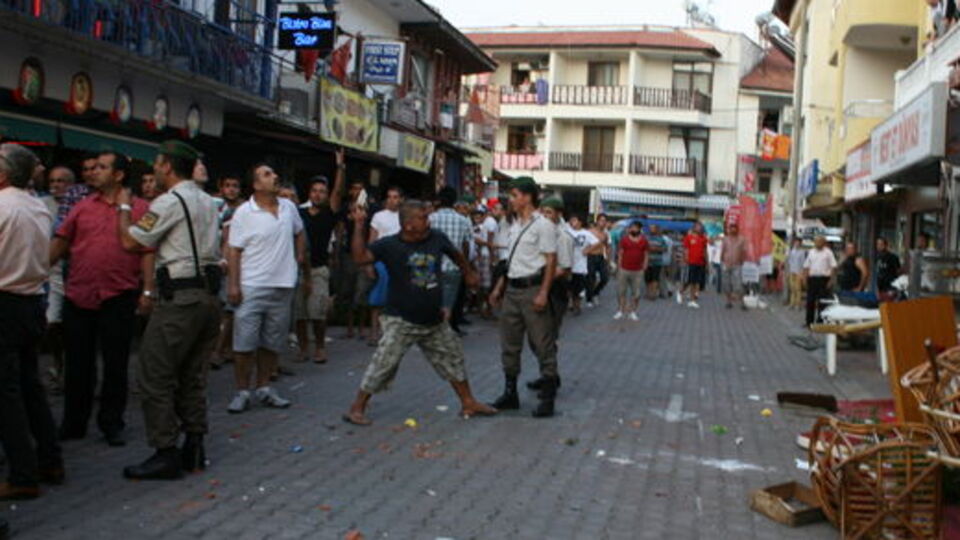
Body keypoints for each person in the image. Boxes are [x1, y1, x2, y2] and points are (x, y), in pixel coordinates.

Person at [118, 140, 222, 480]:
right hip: (208, 297)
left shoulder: (169, 201)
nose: (154, 170)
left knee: (154, 374)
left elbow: (132, 241)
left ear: (166, 166)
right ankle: (195, 444)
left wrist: (124, 208)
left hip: (180, 299)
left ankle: (165, 451)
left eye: (157, 164)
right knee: (192, 374)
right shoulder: (208, 201)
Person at [342, 200, 497, 425]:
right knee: (384, 363)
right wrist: (358, 225)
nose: (429, 221)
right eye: (423, 217)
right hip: (401, 319)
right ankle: (357, 408)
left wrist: (468, 273)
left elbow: (456, 254)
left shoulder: (436, 238)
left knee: (452, 357)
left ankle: (468, 402)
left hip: (433, 319)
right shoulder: (389, 245)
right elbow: (360, 258)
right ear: (408, 225)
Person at [49, 151, 153, 447]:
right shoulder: (82, 207)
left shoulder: (143, 209)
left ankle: (111, 423)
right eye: (93, 167)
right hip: (79, 294)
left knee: (115, 364)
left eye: (102, 167)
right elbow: (61, 242)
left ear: (118, 175)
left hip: (119, 296)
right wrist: (35, 270)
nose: (94, 172)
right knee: (78, 364)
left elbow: (148, 251)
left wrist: (148, 290)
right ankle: (74, 423)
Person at [0, 143, 64, 499]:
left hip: (6, 302)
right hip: (31, 302)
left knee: (6, 393)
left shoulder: (3, 205)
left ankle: (23, 474)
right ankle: (49, 459)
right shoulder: (37, 206)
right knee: (29, 385)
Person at [225, 164, 307, 413]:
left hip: (282, 287)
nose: (275, 177)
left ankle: (264, 387)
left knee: (272, 342)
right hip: (251, 286)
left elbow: (300, 232)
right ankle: (242, 391)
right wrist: (233, 285)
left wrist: (298, 258)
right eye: (267, 175)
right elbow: (234, 251)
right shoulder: (244, 212)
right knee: (244, 343)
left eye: (273, 173)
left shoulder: (289, 207)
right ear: (256, 184)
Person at [489, 177, 559, 418]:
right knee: (509, 344)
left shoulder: (543, 225)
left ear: (528, 197)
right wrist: (499, 289)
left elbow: (551, 260)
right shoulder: (514, 225)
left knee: (542, 344)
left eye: (514, 195)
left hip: (532, 289)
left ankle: (548, 398)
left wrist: (543, 293)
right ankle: (510, 394)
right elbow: (511, 261)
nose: (510, 200)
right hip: (512, 289)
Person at [295, 150, 345, 364]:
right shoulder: (299, 213)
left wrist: (340, 168)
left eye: (322, 192)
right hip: (297, 270)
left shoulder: (328, 214)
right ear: (309, 193)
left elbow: (338, 192)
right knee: (299, 314)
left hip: (318, 269)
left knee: (318, 313)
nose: (318, 195)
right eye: (314, 191)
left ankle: (320, 347)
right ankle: (303, 348)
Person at [43, 166, 76, 390]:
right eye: (52, 181)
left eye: (61, 181)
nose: (55, 185)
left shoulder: (79, 205)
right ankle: (58, 362)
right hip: (50, 271)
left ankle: (69, 370)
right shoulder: (41, 205)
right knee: (51, 322)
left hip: (74, 271)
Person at [428, 187, 472, 335]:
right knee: (449, 302)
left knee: (433, 300)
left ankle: (432, 331)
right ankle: (445, 331)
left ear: (439, 200)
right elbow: (466, 245)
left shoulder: (430, 218)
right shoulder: (463, 220)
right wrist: (465, 266)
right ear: (455, 201)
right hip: (453, 267)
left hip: (432, 266)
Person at [367, 186, 403, 346]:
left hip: (400, 262)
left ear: (401, 199)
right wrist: (369, 264)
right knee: (378, 299)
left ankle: (393, 333)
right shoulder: (378, 216)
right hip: (382, 261)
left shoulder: (404, 216)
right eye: (389, 197)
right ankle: (374, 333)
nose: (392, 200)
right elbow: (372, 240)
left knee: (397, 299)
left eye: (395, 197)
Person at [615, 221, 648, 320]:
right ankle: (621, 310)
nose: (633, 229)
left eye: (636, 228)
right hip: (624, 269)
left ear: (639, 229)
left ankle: (633, 311)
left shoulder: (644, 241)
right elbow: (620, 253)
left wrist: (645, 265)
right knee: (621, 291)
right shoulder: (624, 240)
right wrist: (619, 266)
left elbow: (646, 254)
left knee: (636, 293)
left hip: (638, 270)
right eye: (632, 227)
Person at [803, 235, 838, 327]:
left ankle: (820, 321)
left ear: (823, 243)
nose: (818, 243)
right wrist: (805, 278)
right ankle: (809, 322)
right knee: (810, 301)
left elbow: (833, 267)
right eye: (816, 242)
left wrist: (831, 280)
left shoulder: (828, 252)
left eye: (820, 241)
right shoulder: (811, 252)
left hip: (823, 279)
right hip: (812, 279)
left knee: (822, 302)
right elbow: (806, 266)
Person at [567, 215, 597, 315]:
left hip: (580, 266)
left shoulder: (586, 233)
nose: (572, 222)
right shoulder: (567, 231)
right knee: (569, 287)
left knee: (578, 288)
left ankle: (577, 306)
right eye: (571, 220)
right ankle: (571, 303)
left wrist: (588, 250)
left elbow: (596, 242)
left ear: (580, 222)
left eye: (574, 220)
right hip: (568, 264)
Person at [720, 222, 750, 310]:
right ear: (729, 230)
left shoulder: (742, 239)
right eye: (731, 229)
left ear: (737, 230)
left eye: (735, 229)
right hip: (726, 264)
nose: (733, 230)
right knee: (726, 284)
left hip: (737, 265)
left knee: (738, 284)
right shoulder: (725, 239)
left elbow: (744, 251)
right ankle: (728, 301)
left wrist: (742, 261)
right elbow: (723, 251)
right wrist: (722, 261)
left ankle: (742, 302)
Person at [679, 222, 708, 309]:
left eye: (701, 227)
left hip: (700, 263)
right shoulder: (688, 237)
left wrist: (707, 262)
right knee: (690, 281)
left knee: (696, 282)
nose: (700, 228)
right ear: (694, 228)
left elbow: (705, 251)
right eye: (698, 227)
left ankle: (691, 299)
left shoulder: (703, 238)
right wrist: (685, 259)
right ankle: (683, 293)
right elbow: (686, 250)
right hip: (691, 262)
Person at [584, 214, 610, 307]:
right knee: (590, 278)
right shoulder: (589, 232)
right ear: (597, 221)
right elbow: (584, 245)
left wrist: (607, 258)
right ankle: (589, 298)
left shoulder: (605, 234)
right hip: (591, 256)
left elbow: (607, 246)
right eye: (601, 220)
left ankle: (595, 292)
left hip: (600, 256)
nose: (603, 223)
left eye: (605, 221)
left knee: (605, 278)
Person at [645, 224, 666, 300]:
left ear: (656, 229)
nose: (651, 229)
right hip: (647, 261)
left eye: (653, 228)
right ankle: (648, 292)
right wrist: (649, 248)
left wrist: (656, 249)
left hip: (657, 262)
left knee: (655, 278)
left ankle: (653, 294)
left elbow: (665, 249)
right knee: (648, 279)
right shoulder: (646, 238)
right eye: (650, 228)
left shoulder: (661, 239)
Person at [786, 237, 807, 310]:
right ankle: (792, 304)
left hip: (798, 272)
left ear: (800, 244)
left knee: (798, 289)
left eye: (798, 243)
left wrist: (802, 273)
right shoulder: (792, 251)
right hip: (792, 271)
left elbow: (803, 263)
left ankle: (798, 304)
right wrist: (788, 272)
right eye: (795, 242)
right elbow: (789, 261)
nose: (797, 244)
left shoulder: (802, 252)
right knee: (792, 289)